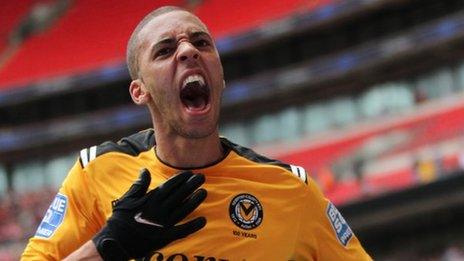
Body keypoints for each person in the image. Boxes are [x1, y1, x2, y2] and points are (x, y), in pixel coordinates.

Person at [22, 6, 372, 260]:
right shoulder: (96, 173)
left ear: (219, 75)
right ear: (139, 91)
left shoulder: (291, 190)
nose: (188, 50)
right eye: (165, 50)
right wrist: (109, 244)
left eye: (201, 43)